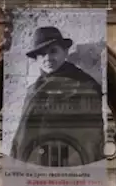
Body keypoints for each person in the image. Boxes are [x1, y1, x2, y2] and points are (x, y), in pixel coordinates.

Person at [8, 25, 105, 166]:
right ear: (36, 59)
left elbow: (91, 135)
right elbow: (23, 133)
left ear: (65, 52)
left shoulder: (84, 85)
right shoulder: (33, 90)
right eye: (41, 54)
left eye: (53, 51)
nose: (47, 58)